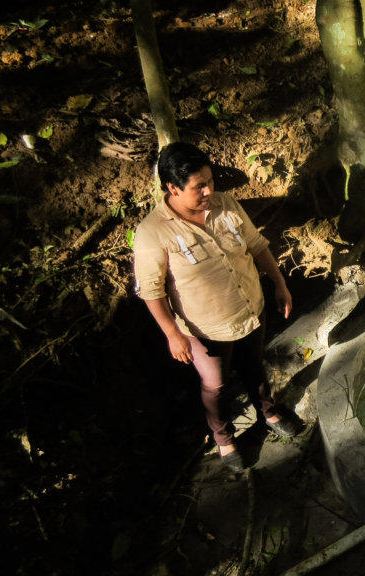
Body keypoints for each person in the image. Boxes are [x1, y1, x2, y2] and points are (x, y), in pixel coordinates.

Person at [133, 142, 302, 472]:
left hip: (251, 307)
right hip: (204, 329)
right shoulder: (152, 233)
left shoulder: (225, 204)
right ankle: (224, 439)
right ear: (172, 187)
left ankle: (268, 412)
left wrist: (279, 283)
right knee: (216, 385)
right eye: (199, 187)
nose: (209, 190)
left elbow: (255, 245)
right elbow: (152, 291)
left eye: (210, 181)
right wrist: (172, 334)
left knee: (254, 364)